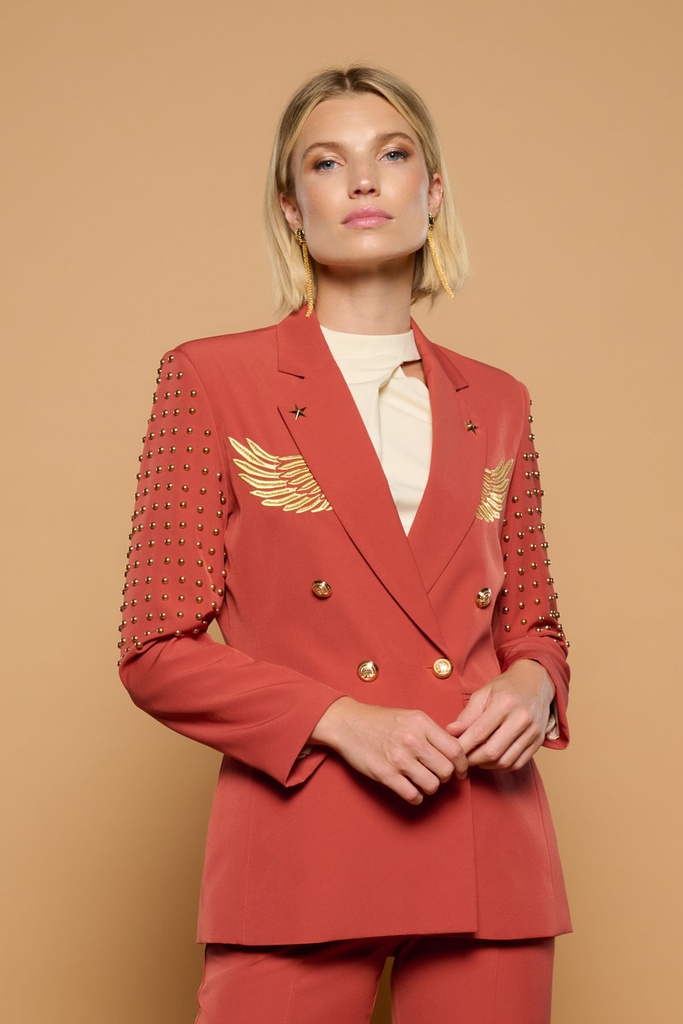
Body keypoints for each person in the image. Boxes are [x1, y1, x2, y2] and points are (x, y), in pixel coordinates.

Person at [118, 65, 570, 1024]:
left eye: (391, 155)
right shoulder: (211, 379)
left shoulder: (498, 400)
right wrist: (338, 717)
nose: (363, 180)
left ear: (432, 192)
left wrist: (534, 688)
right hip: (303, 842)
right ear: (292, 208)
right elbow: (155, 648)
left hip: (487, 841)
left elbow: (532, 623)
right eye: (327, 162)